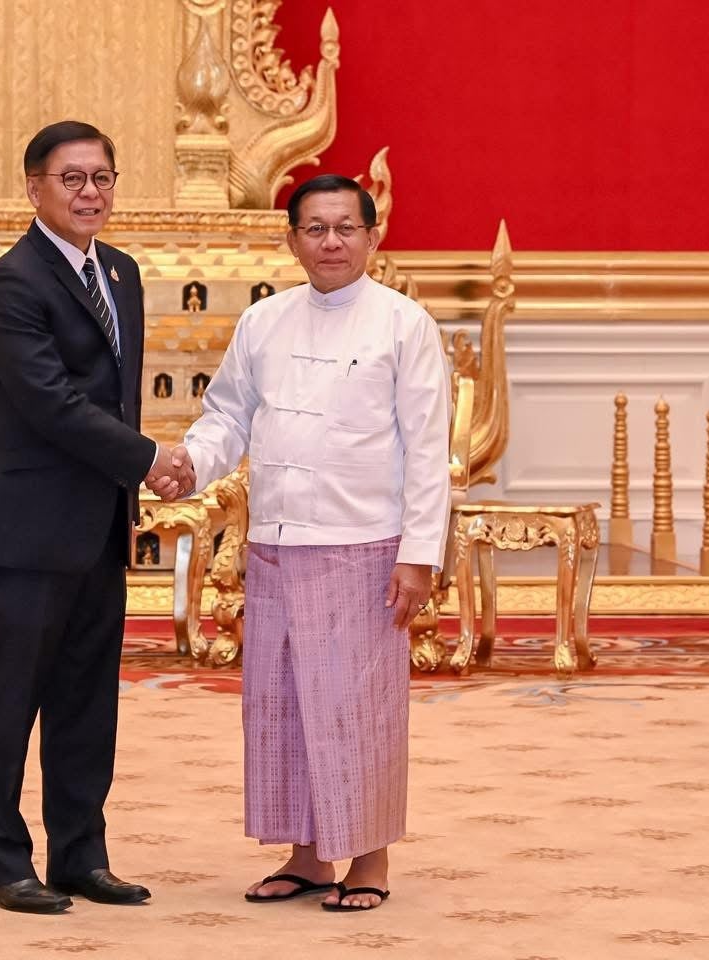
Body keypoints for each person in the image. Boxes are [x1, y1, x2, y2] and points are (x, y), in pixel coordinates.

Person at [181, 174, 451, 911]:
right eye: (315, 228)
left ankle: (369, 860)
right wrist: (184, 466)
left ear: (371, 236)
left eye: (345, 228)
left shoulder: (404, 324)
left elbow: (428, 450)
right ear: (292, 238)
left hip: (364, 544)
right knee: (285, 706)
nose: (330, 241)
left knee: (358, 707)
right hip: (274, 542)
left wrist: (420, 555)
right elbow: (227, 418)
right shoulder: (263, 323)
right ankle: (305, 857)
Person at [0, 120, 192, 915]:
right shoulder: (13, 281)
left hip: (97, 530)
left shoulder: (120, 272)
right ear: (34, 189)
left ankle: (80, 857)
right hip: (24, 531)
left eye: (102, 178)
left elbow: (114, 396)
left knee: (88, 702)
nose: (91, 193)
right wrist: (148, 459)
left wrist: (132, 475)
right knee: (11, 699)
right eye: (72, 179)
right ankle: (1, 863)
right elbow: (51, 403)